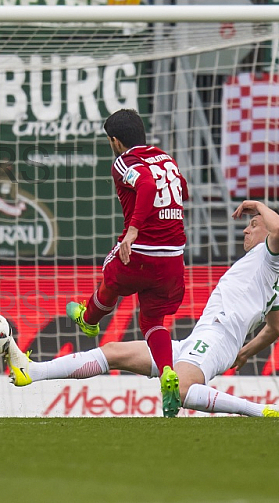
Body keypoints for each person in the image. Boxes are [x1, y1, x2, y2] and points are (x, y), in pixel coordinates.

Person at [6, 200, 279, 418]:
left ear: (269, 231)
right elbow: (276, 327)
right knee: (114, 352)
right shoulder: (269, 281)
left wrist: (256, 205)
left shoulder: (270, 258)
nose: (246, 228)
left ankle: (261, 412)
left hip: (216, 340)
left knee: (180, 391)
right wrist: (244, 353)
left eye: (254, 224)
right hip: (196, 341)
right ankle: (31, 371)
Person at [65, 108, 189, 417]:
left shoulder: (124, 162)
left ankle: (89, 320)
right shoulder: (167, 160)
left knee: (110, 273)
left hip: (142, 251)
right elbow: (182, 188)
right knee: (153, 322)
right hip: (173, 258)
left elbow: (146, 185)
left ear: (116, 141)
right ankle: (167, 373)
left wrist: (133, 230)